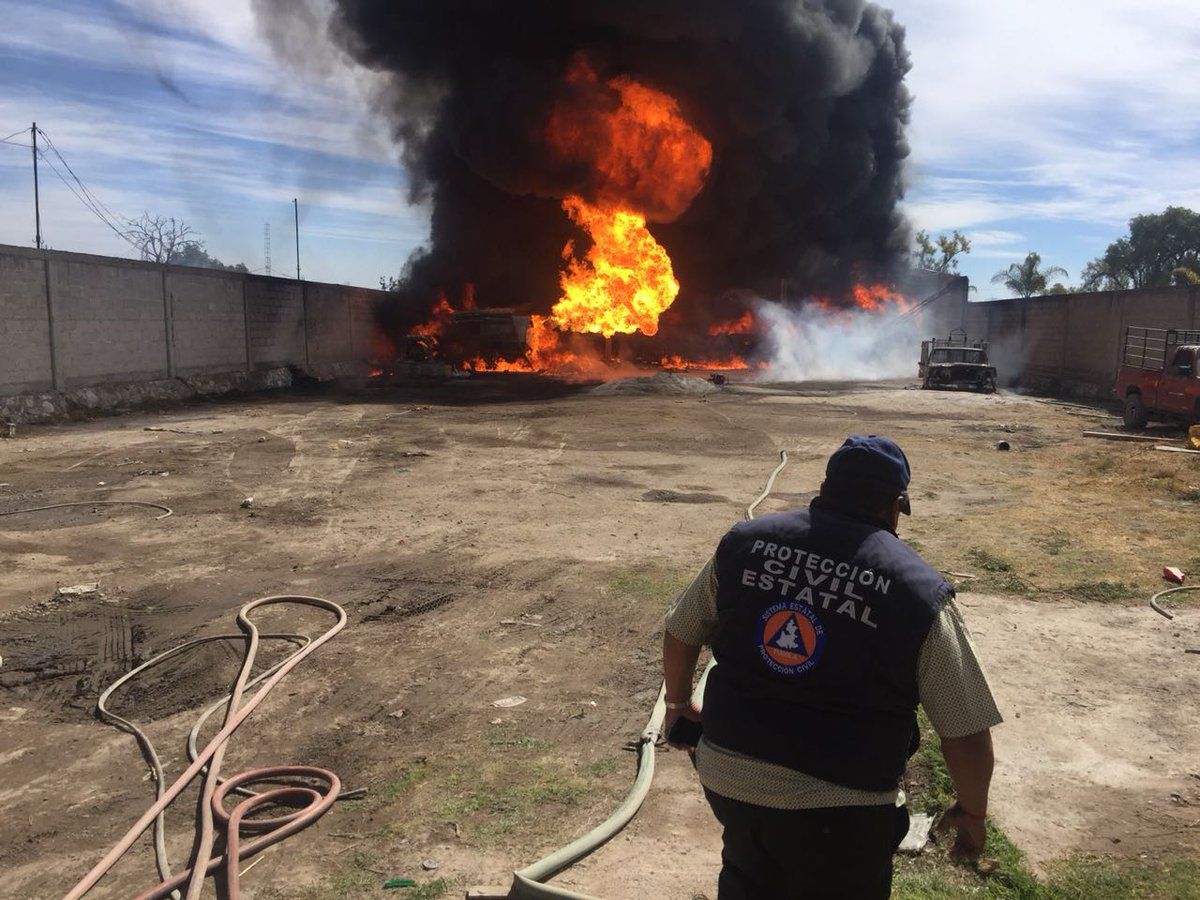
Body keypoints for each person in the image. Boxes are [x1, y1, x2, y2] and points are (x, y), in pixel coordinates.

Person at [662, 435, 1001, 900]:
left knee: (747, 872)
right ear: (896, 504)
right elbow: (964, 730)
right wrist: (973, 813)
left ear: (826, 486)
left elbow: (681, 631)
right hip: (842, 809)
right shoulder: (916, 591)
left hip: (729, 781)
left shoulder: (746, 542)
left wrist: (678, 704)